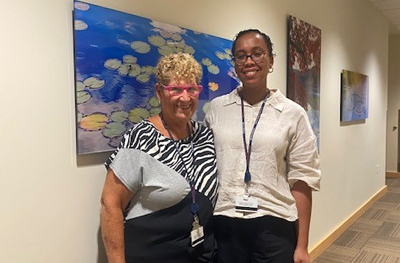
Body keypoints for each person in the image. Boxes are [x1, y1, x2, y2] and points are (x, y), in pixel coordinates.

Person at [204, 29, 321, 263]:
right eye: (241, 55)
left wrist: (302, 245)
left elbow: (302, 179)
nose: (249, 61)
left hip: (274, 225)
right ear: (235, 64)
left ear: (271, 61)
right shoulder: (217, 109)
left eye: (257, 53)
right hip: (225, 223)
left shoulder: (293, 114)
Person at [100, 53, 218, 263]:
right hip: (151, 254)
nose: (185, 97)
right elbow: (111, 205)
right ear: (159, 92)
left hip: (201, 253)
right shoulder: (141, 138)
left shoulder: (205, 135)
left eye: (191, 89)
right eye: (175, 89)